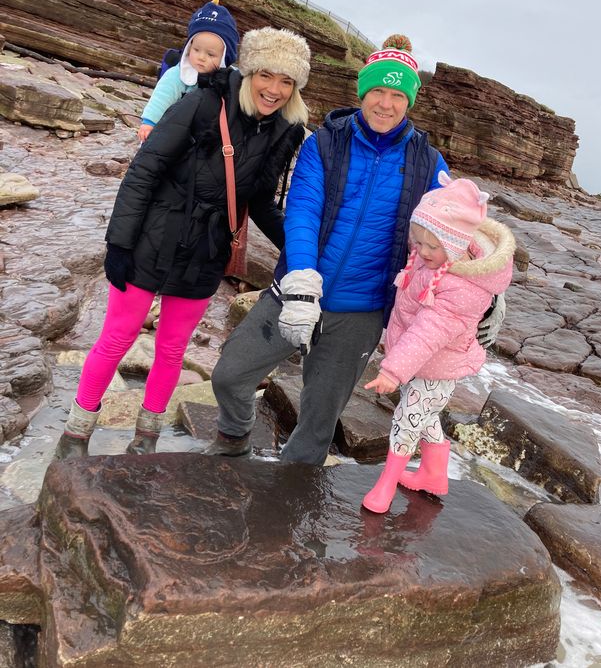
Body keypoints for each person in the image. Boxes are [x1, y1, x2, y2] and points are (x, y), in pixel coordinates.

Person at [54, 26, 310, 459]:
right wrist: (118, 244)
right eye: (268, 75)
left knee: (172, 349)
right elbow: (145, 169)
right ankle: (76, 434)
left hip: (206, 250)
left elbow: (261, 201)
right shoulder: (204, 102)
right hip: (154, 236)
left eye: (288, 81)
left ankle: (146, 439)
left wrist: (303, 252)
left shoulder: (284, 131)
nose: (276, 89)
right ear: (249, 72)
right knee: (117, 338)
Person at [207, 35, 451, 464]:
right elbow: (302, 211)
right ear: (362, 92)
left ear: (409, 102)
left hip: (361, 312)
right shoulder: (324, 142)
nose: (385, 103)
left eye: (397, 95)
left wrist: (489, 286)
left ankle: (283, 508)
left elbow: (456, 231)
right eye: (378, 90)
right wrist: (301, 281)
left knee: (318, 425)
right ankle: (234, 437)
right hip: (298, 292)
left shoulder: (429, 163)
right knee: (230, 375)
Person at [361, 173, 515, 513]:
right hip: (420, 362)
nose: (422, 251)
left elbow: (429, 330)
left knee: (408, 417)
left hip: (437, 366)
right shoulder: (432, 258)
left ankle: (385, 484)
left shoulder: (465, 287)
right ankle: (433, 473)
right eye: (418, 242)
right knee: (425, 414)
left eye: (433, 246)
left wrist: (392, 369)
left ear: (457, 244)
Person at [137, 0, 239, 142]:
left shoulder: (231, 79)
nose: (201, 57)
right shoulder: (178, 75)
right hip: (174, 130)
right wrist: (149, 123)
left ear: (224, 58)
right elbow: (161, 97)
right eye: (196, 50)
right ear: (189, 47)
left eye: (210, 54)